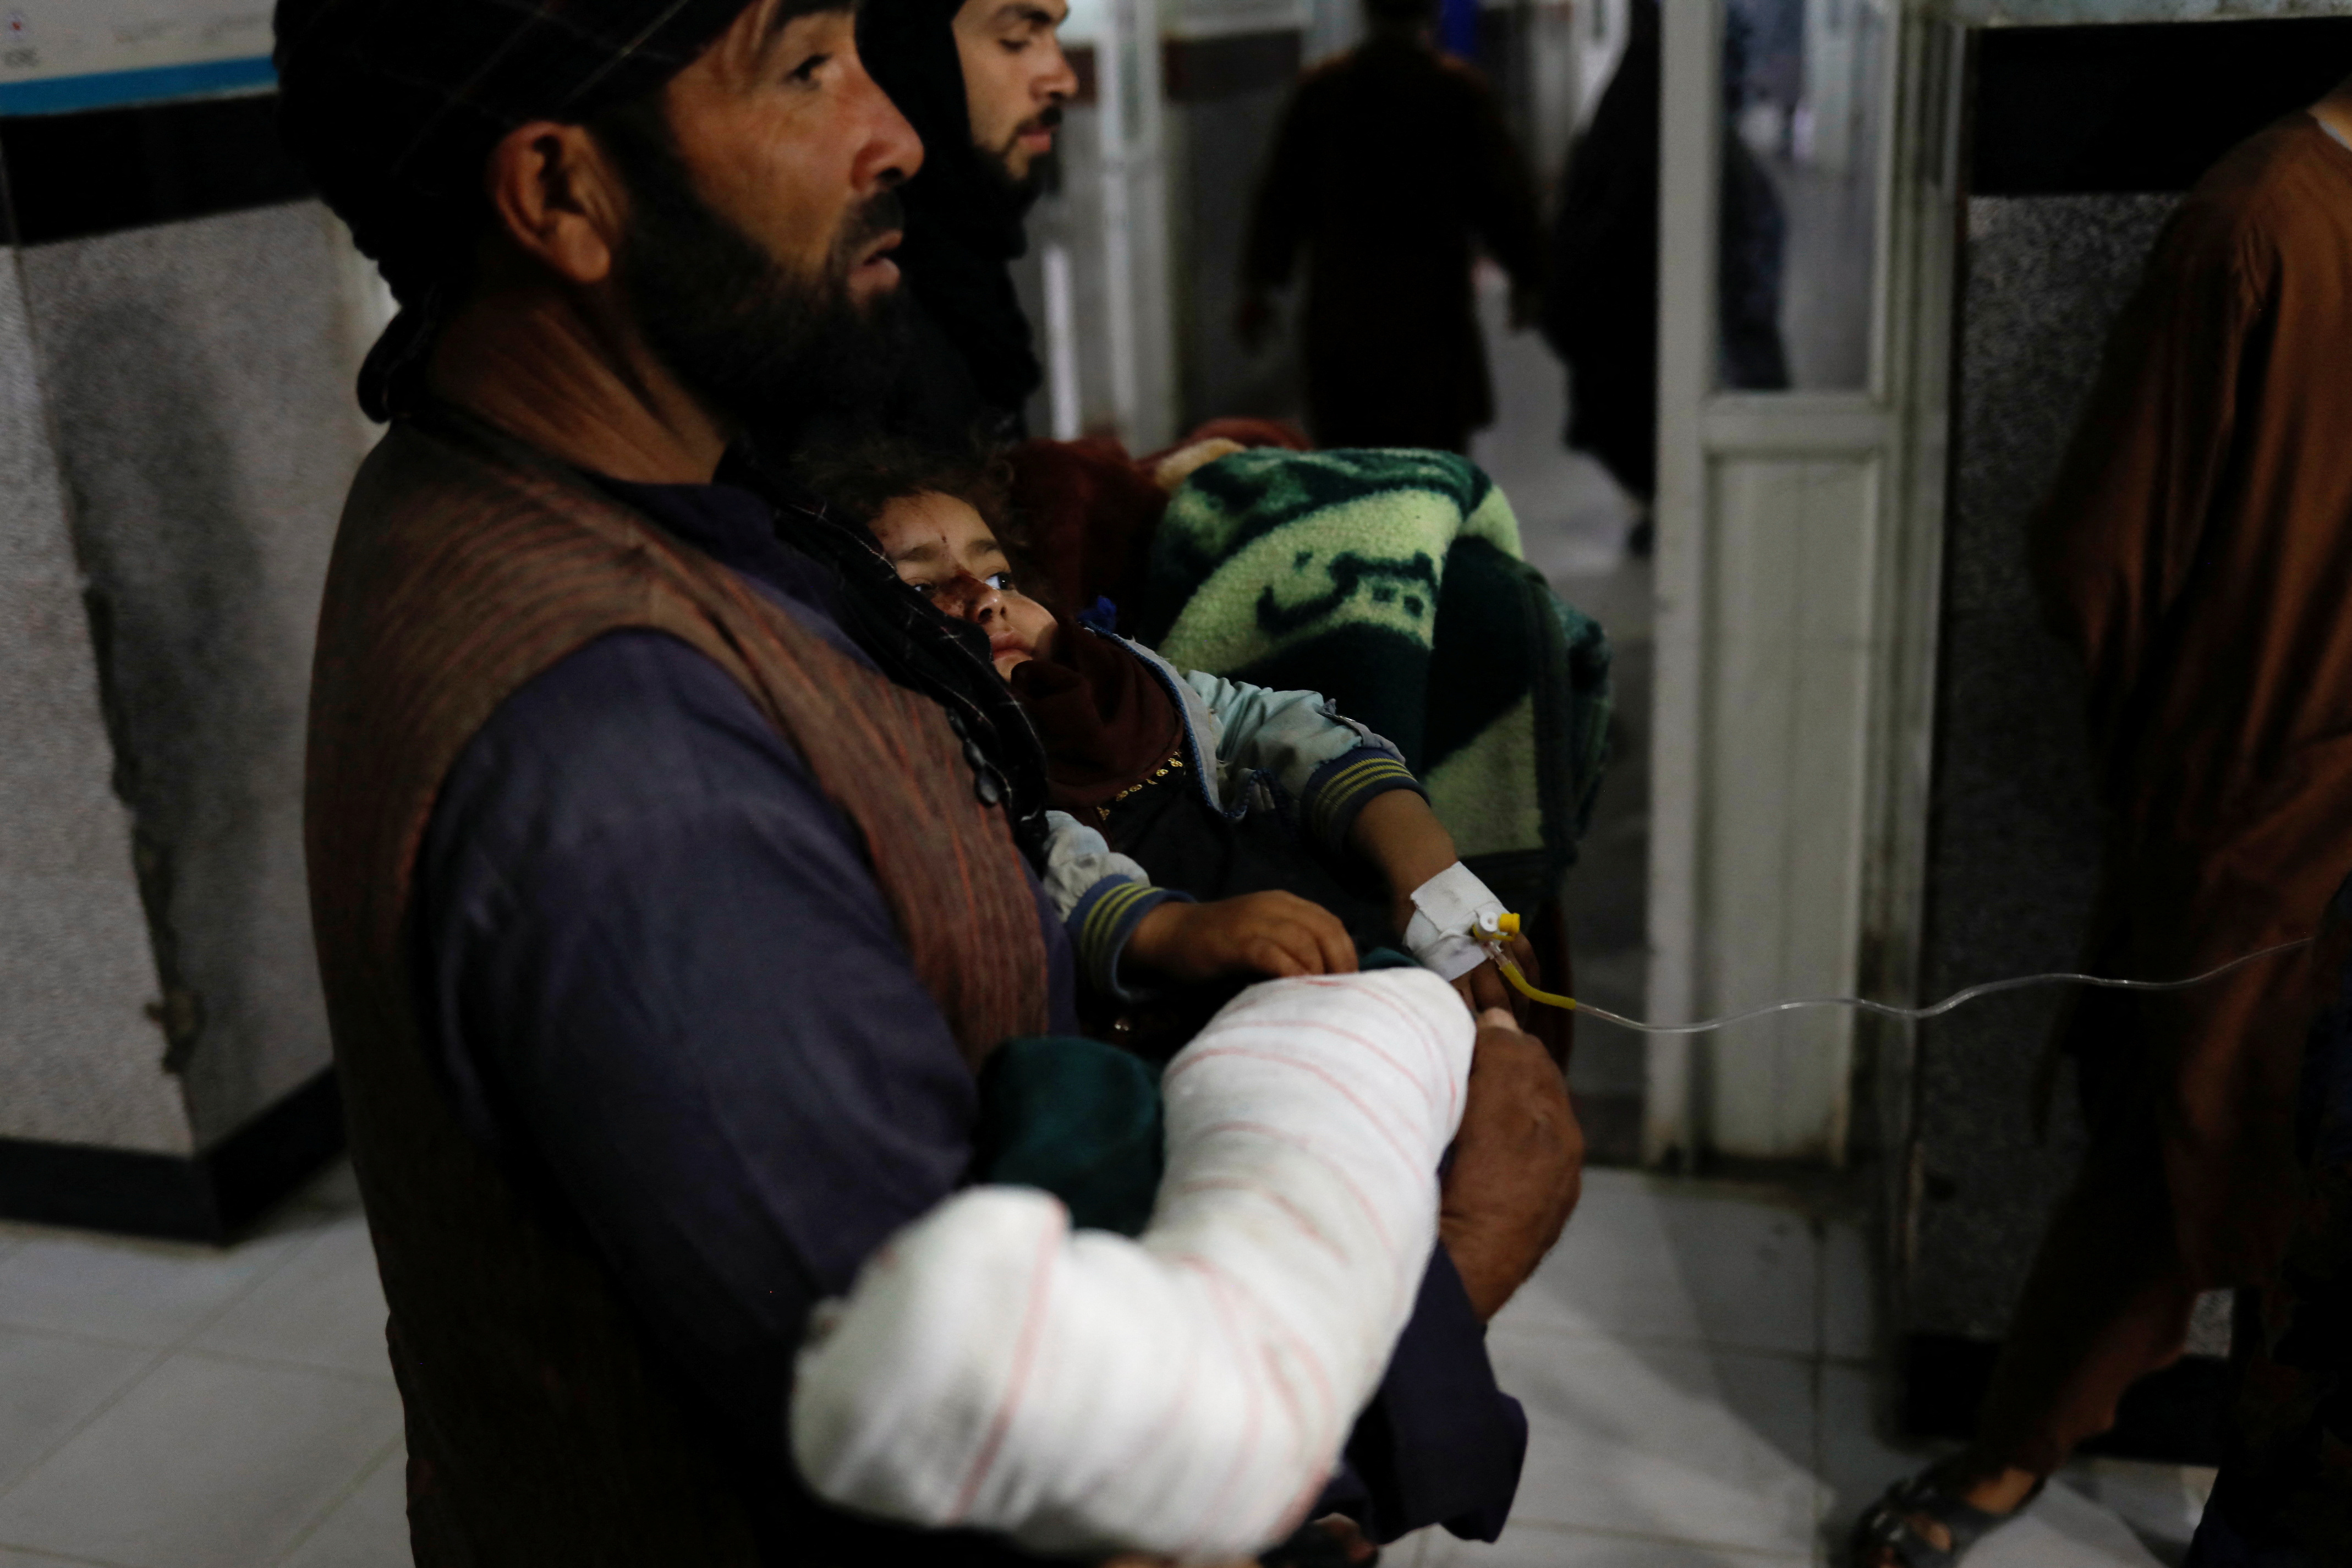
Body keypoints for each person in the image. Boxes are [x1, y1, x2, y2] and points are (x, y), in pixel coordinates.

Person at [273, 0, 1581, 1561]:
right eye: (804, 70)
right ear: (564, 193)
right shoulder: (626, 771)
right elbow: (1008, 1481)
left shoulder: (584, 488)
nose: (891, 132)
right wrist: (1465, 1240)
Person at [1854, 74, 2352, 1568]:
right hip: (2260, 798)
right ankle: (2019, 1447)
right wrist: (2187, 763)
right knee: (2187, 1139)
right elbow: (2097, 560)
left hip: (2281, 794)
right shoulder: (2261, 223)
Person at [801, 439, 1541, 1029]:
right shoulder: (943, 745)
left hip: (1323, 938)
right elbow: (1033, 860)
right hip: (1170, 1013)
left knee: (1460, 1020)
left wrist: (1432, 883)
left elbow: (1285, 726)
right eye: (923, 590)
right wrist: (1177, 934)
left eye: (998, 577)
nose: (986, 602)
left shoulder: (1125, 674)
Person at [1236, 0, 1543, 454]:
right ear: (1428, 14)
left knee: (1349, 464)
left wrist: (1259, 286)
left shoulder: (1323, 92)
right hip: (1431, 321)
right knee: (1431, 466)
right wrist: (1528, 276)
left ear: (1366, 12)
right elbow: (1503, 197)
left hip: (1343, 318)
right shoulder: (1456, 92)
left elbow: (1281, 199)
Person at [1540, 0, 1788, 529]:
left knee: (1639, 404)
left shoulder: (1630, 111)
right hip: (1641, 308)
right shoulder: (1675, 122)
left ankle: (1667, 503)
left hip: (1632, 312)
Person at [857, 0, 1077, 443]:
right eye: (1016, 40)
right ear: (915, 57)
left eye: (1055, 35)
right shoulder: (861, 323)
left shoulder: (971, 272)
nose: (1064, 81)